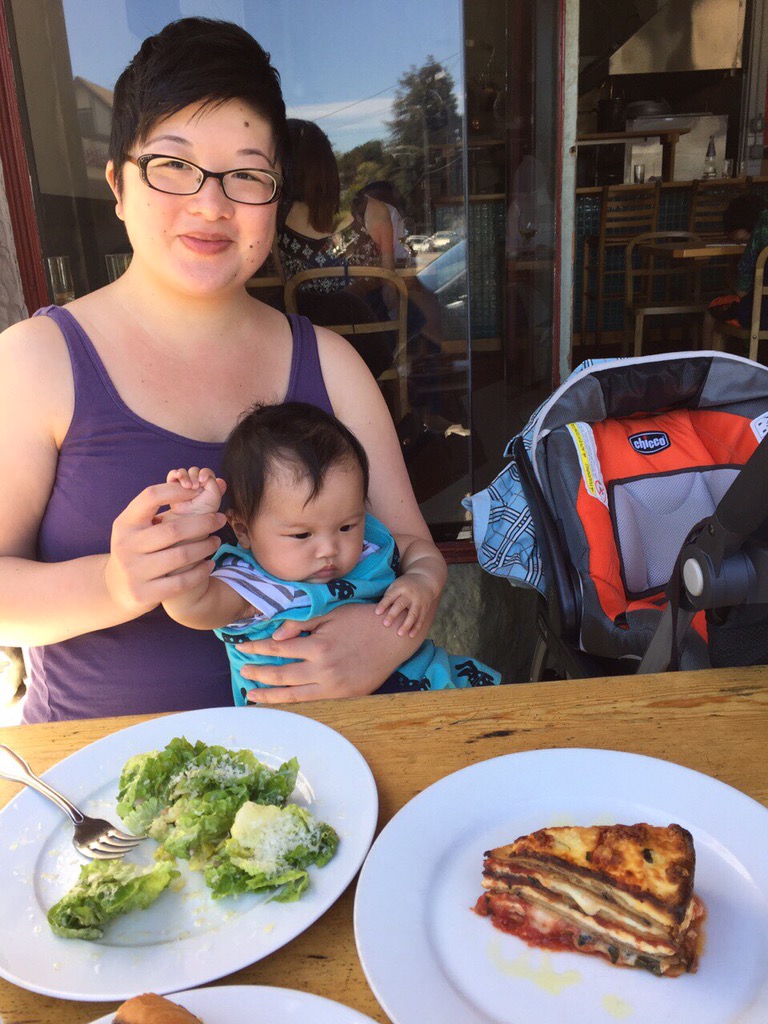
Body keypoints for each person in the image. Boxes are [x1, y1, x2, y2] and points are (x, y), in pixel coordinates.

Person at [0, 17, 447, 723]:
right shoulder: (36, 360)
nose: (211, 204)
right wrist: (117, 584)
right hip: (104, 789)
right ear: (118, 185)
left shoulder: (330, 366)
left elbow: (414, 547)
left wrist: (387, 640)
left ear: (274, 197)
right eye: (173, 165)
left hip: (329, 776)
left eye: (246, 174)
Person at [161, 403, 500, 702]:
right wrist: (186, 528)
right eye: (301, 534)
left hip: (424, 692)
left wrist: (422, 579)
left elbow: (418, 548)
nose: (329, 549)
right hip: (305, 733)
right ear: (243, 530)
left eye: (346, 526)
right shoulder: (249, 585)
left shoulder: (369, 547)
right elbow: (189, 605)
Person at [707, 193, 768, 332]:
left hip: (762, 315)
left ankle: (718, 353)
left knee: (714, 309)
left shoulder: (760, 229)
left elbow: (743, 284)